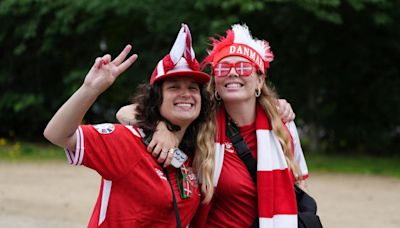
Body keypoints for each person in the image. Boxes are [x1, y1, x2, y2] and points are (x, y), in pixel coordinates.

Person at [119, 24, 310, 228]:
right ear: (216, 81)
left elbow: (299, 185)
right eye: (223, 68)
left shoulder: (282, 124)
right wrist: (160, 126)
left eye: (244, 67)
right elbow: (123, 113)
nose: (233, 73)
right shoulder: (201, 120)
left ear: (259, 80)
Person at [43, 24, 215, 227]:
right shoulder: (128, 142)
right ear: (156, 98)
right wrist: (90, 89)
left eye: (193, 88)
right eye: (174, 87)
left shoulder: (196, 152)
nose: (185, 94)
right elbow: (57, 134)